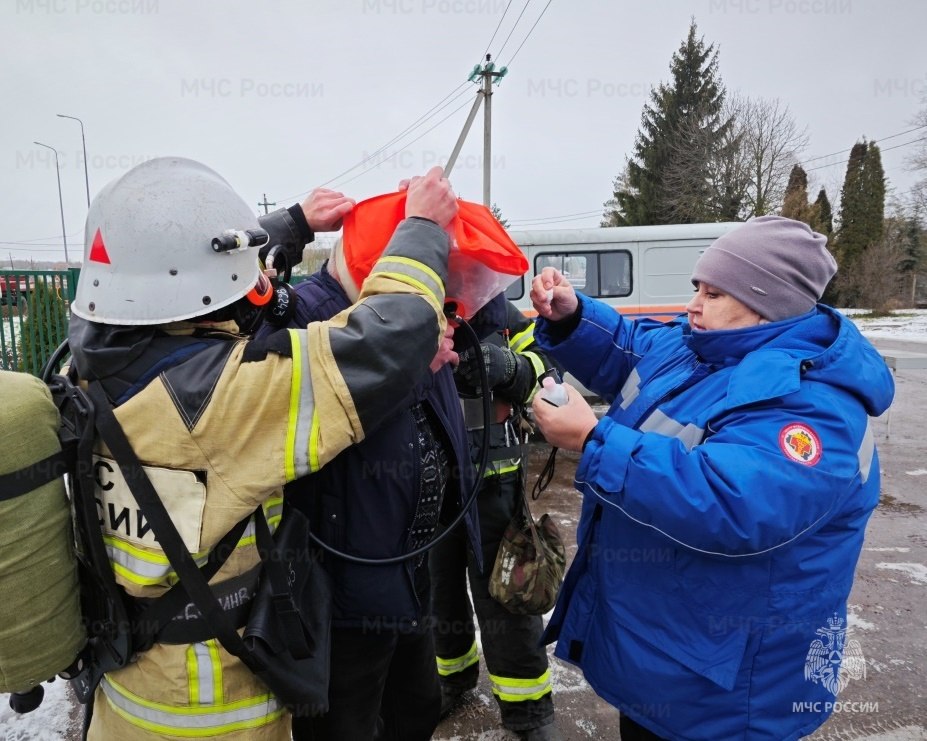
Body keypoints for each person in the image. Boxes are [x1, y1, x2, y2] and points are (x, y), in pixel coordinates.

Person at [66, 157, 458, 740]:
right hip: (216, 713)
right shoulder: (228, 397)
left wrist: (294, 221)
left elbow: (176, 270)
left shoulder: (87, 367)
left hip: (125, 701)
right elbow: (391, 340)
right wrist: (423, 226)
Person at [528, 215, 895, 741]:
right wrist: (574, 317)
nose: (694, 305)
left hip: (728, 689)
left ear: (771, 304)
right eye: (697, 287)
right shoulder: (701, 346)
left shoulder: (812, 405)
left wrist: (593, 441)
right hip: (672, 657)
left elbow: (733, 504)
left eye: (717, 293)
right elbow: (631, 348)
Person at [255, 231, 480, 741]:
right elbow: (325, 405)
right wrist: (291, 225)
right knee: (347, 724)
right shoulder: (310, 312)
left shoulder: (418, 313)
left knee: (419, 706)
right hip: (346, 588)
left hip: (410, 569)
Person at [430, 298, 563, 740]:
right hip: (427, 489)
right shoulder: (404, 308)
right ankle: (452, 679)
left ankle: (528, 715)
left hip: (494, 486)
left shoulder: (499, 316)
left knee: (508, 600)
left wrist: (510, 369)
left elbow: (549, 377)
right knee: (437, 596)